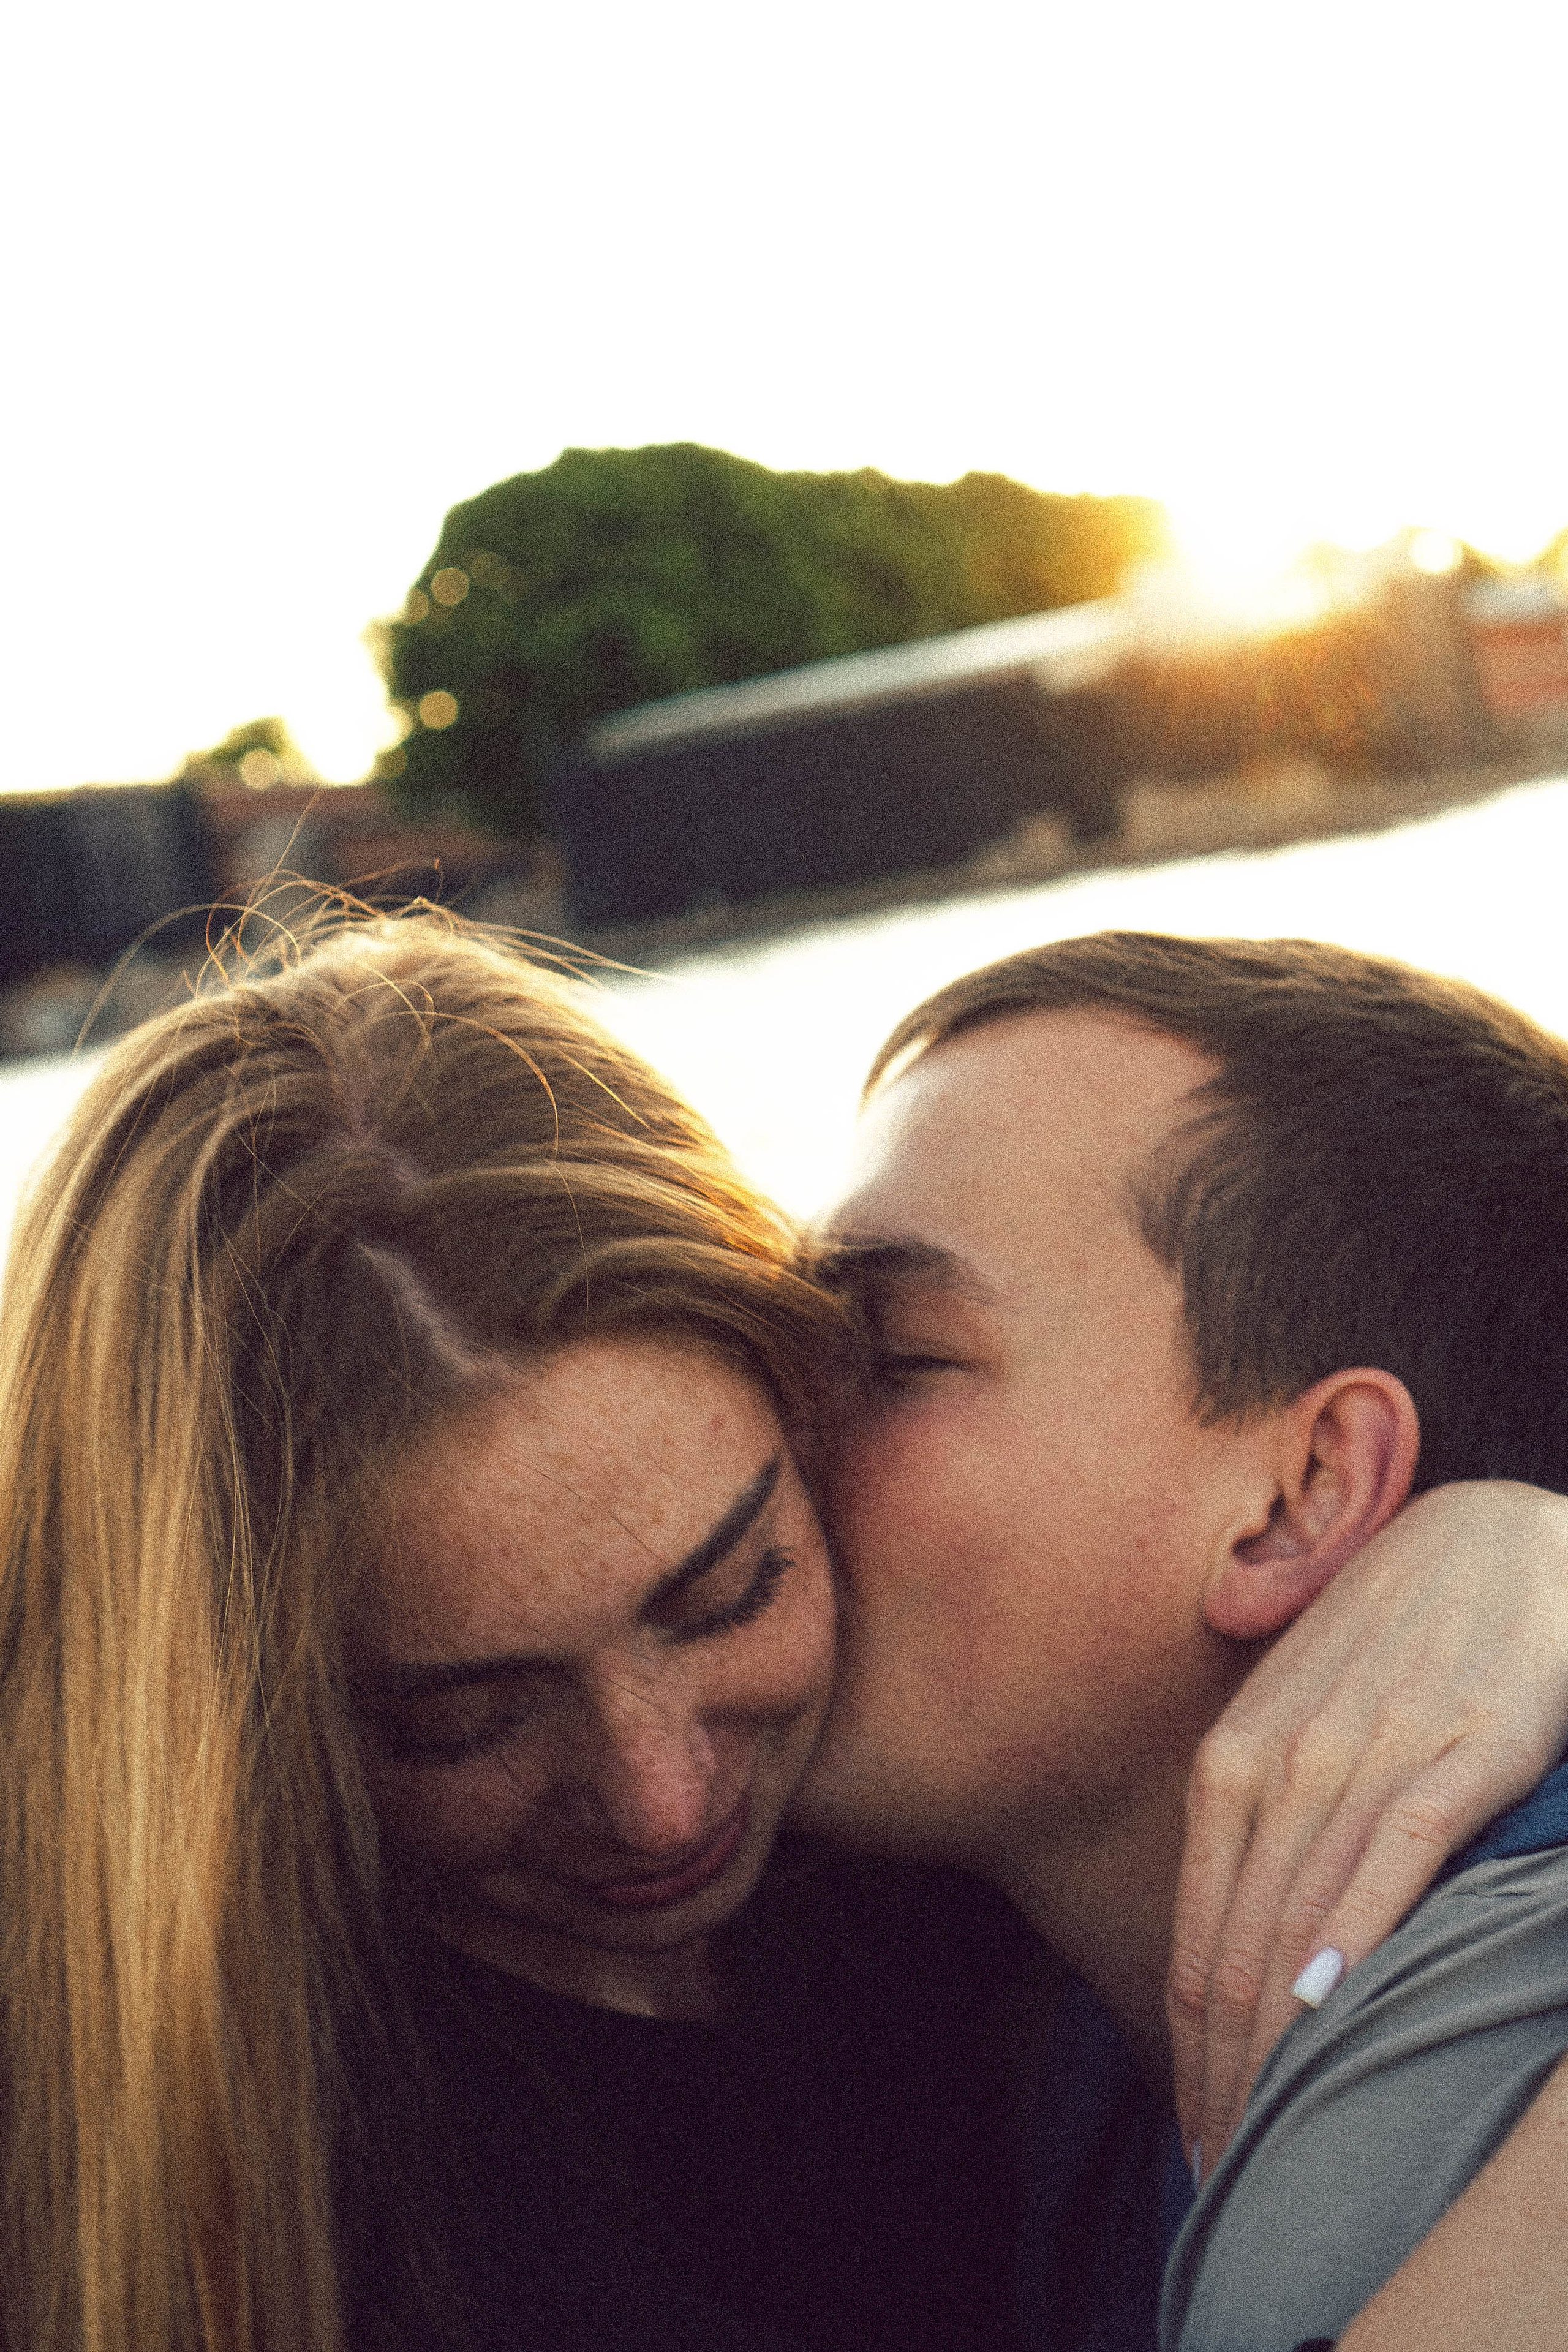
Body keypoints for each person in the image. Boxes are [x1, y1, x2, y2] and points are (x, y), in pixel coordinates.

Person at [1, 907, 1564, 2352]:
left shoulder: (993, 1914)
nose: (667, 1804)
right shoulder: (367, 2218)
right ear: (237, 1719)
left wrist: (1518, 1533)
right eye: (462, 1718)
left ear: (1302, 1491)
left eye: (734, 1585)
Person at [800, 929, 1568, 2352]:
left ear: (1297, 1497)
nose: (759, 1429)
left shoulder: (1506, 2036)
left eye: (897, 1353)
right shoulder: (1038, 2032)